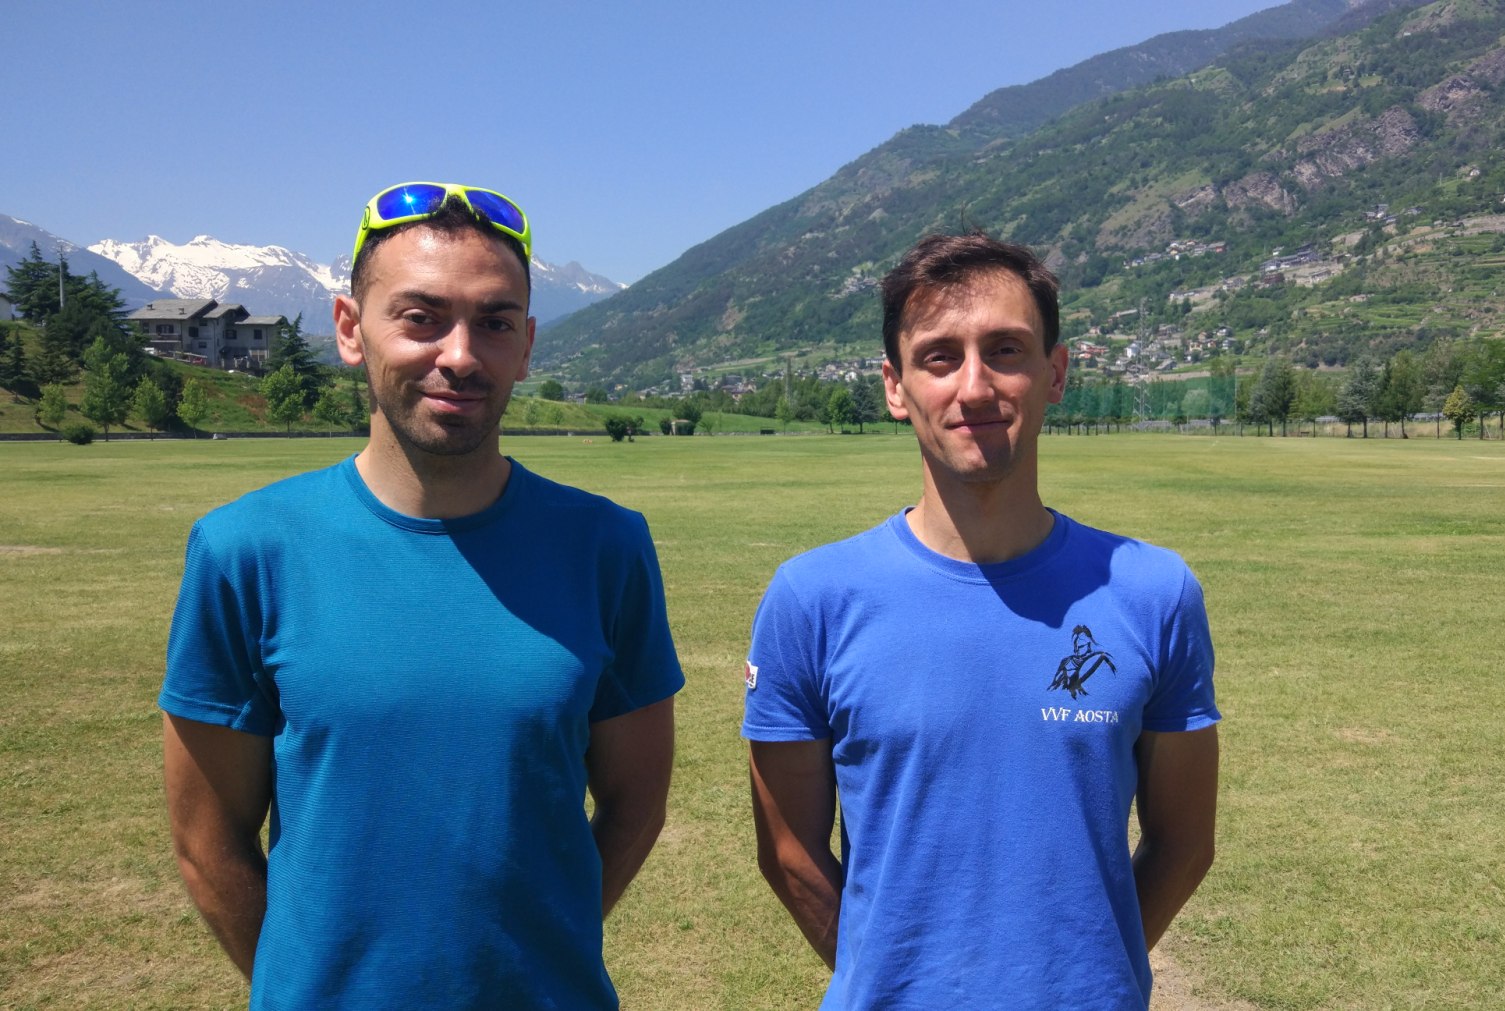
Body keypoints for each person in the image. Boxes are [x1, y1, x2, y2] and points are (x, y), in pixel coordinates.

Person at [161, 182, 683, 1009]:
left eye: (494, 322)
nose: (461, 354)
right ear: (350, 329)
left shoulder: (605, 546)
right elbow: (207, 838)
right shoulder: (245, 550)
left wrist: (540, 953)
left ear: (526, 345)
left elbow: (635, 801)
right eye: (421, 318)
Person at [743, 231, 1219, 1009]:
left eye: (1004, 350)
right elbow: (789, 850)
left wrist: (1089, 976)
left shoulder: (1153, 591)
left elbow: (1184, 840)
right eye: (939, 357)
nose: (973, 386)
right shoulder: (812, 598)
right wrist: (886, 977)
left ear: (1054, 373)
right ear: (895, 387)